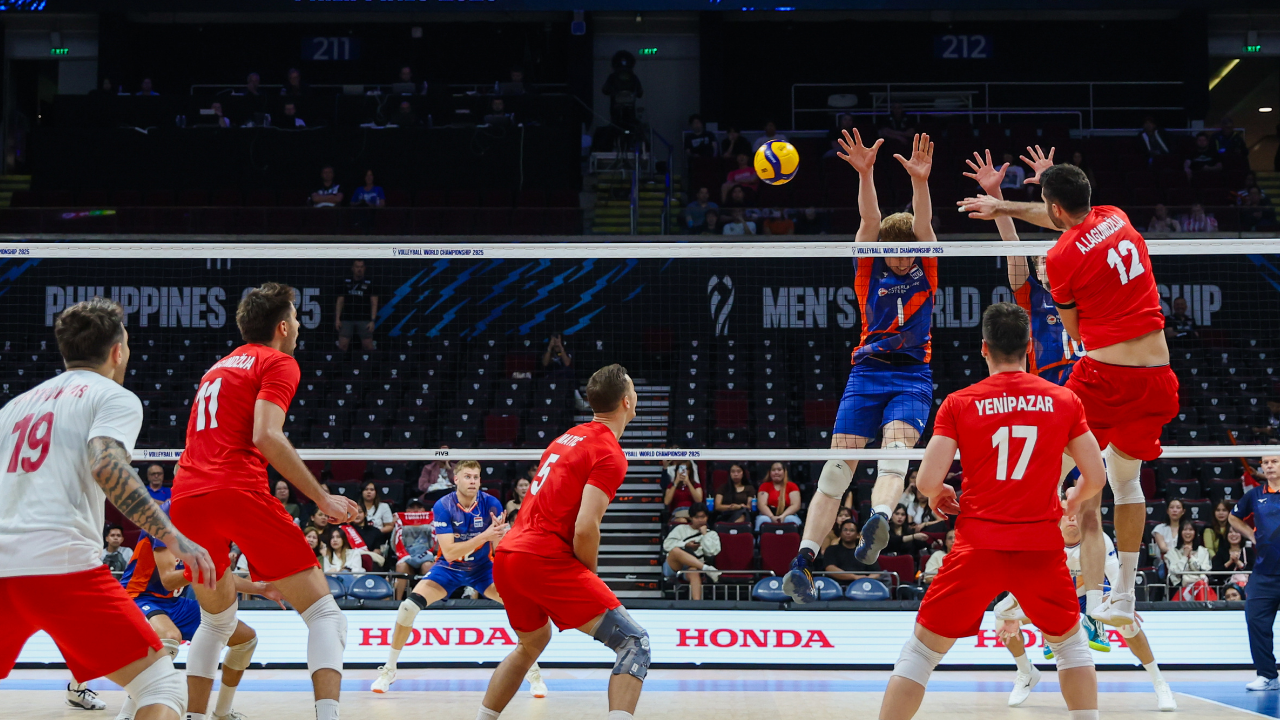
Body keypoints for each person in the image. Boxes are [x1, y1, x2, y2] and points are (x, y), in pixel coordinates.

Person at [959, 151, 1180, 629]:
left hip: (1094, 383)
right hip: (1156, 374)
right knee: (1120, 483)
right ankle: (1120, 595)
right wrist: (1003, 205)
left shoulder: (1059, 262)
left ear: (1056, 210)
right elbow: (1062, 226)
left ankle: (1025, 577)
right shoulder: (1114, 216)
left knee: (1048, 482)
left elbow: (1078, 332)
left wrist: (1005, 204)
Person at [876, 302, 1108, 720]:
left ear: (983, 348)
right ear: (1030, 346)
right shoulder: (1064, 399)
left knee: (921, 653)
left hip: (977, 546)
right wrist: (1072, 501)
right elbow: (1095, 477)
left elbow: (927, 481)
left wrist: (939, 492)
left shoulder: (959, 403)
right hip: (1039, 547)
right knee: (1070, 647)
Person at [0, 298, 216, 720]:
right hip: (62, 567)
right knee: (160, 686)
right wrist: (174, 537)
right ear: (118, 351)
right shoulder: (113, 397)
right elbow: (105, 464)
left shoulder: (13, 409)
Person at [169, 283, 360, 720]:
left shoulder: (215, 369)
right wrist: (323, 498)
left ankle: (195, 717)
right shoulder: (279, 360)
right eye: (295, 318)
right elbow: (266, 436)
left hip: (188, 496)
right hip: (237, 490)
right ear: (282, 326)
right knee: (326, 616)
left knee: (215, 623)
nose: (298, 326)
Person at [784, 130, 939, 603]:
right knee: (835, 471)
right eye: (892, 250)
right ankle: (803, 560)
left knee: (894, 456)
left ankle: (877, 519)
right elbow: (868, 219)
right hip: (866, 374)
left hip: (912, 375)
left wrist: (919, 182)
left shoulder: (926, 264)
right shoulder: (868, 267)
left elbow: (926, 220)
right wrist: (866, 172)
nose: (899, 256)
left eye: (907, 248)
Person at [477, 364, 648, 720]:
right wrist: (587, 576)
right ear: (628, 402)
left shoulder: (567, 437)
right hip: (542, 559)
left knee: (531, 644)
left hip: (509, 556)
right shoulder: (609, 453)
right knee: (635, 643)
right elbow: (586, 527)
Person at [371, 461, 547, 695]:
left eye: (476, 477)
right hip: (449, 568)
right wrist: (485, 535)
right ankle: (389, 670)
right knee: (406, 608)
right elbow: (451, 551)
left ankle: (534, 673)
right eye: (467, 476)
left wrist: (502, 544)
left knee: (520, 608)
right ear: (456, 479)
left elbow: (498, 546)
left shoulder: (491, 504)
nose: (473, 481)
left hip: (483, 568)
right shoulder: (443, 505)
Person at [116, 500, 282, 720]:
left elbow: (218, 573)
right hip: (138, 597)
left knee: (246, 640)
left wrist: (259, 588)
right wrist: (201, 567)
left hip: (175, 604)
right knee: (169, 637)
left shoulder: (203, 525)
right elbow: (168, 580)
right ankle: (127, 714)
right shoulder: (162, 519)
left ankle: (222, 712)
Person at [996, 513, 1176, 711]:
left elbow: (1116, 579)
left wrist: (1123, 605)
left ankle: (1159, 682)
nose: (1072, 518)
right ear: (1058, 518)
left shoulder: (1100, 540)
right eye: (1067, 515)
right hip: (1056, 597)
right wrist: (1013, 611)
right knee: (1003, 618)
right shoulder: (1044, 538)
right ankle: (1026, 672)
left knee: (1127, 622)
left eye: (1076, 514)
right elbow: (1023, 576)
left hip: (1091, 595)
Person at [1231, 455, 1280, 690]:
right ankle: (1268, 676)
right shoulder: (1255, 495)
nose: (1269, 465)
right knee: (1255, 621)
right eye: (1265, 462)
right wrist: (1251, 535)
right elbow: (1233, 517)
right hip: (1264, 573)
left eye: (1274, 461)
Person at [662, 507, 722, 600]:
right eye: (697, 517)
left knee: (694, 571)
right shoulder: (680, 528)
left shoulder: (712, 534)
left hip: (694, 564)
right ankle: (707, 569)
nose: (700, 520)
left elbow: (712, 552)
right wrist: (685, 545)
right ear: (691, 518)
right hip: (675, 564)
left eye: (703, 517)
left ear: (707, 517)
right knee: (676, 551)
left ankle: (697, 604)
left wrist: (704, 535)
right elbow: (667, 545)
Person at [391, 500, 434, 601]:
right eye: (412, 508)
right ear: (406, 511)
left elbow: (436, 548)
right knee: (401, 566)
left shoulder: (431, 525)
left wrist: (436, 525)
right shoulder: (401, 525)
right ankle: (397, 602)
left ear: (424, 510)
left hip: (425, 558)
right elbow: (394, 547)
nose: (415, 511)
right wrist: (395, 526)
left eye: (419, 508)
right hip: (407, 558)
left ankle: (427, 601)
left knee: (427, 566)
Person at [335, 260, 377, 352]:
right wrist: (337, 319)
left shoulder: (370, 282)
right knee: (343, 345)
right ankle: (341, 366)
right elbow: (340, 301)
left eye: (361, 267)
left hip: (364, 318)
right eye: (357, 267)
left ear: (364, 268)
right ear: (353, 268)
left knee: (368, 346)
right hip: (347, 318)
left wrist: (373, 320)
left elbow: (374, 303)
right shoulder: (345, 281)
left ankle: (368, 365)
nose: (359, 269)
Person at [602, 50, 643, 130]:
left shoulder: (633, 78)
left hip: (627, 114)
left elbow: (640, 92)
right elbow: (605, 90)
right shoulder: (613, 77)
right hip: (617, 113)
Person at [1164, 519, 1211, 589]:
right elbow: (1177, 572)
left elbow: (1204, 570)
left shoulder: (1203, 551)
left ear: (1195, 533)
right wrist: (1185, 556)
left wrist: (1191, 557)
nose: (1188, 533)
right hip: (1179, 588)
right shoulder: (1172, 553)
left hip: (1201, 586)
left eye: (1191, 530)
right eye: (1185, 530)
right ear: (1180, 533)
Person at [756, 461, 802, 531]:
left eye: (779, 470)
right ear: (770, 472)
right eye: (773, 470)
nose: (776, 472)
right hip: (769, 514)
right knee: (763, 520)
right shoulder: (764, 486)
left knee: (791, 519)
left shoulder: (792, 486)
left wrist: (783, 516)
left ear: (784, 472)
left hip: (787, 514)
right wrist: (772, 517)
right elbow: (762, 505)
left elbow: (796, 505)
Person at [1151, 498, 1185, 570]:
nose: (1174, 510)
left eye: (1178, 508)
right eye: (1171, 507)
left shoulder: (1186, 529)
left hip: (1183, 561)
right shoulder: (1160, 528)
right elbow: (1163, 548)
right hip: (1165, 562)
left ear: (1183, 511)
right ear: (1167, 511)